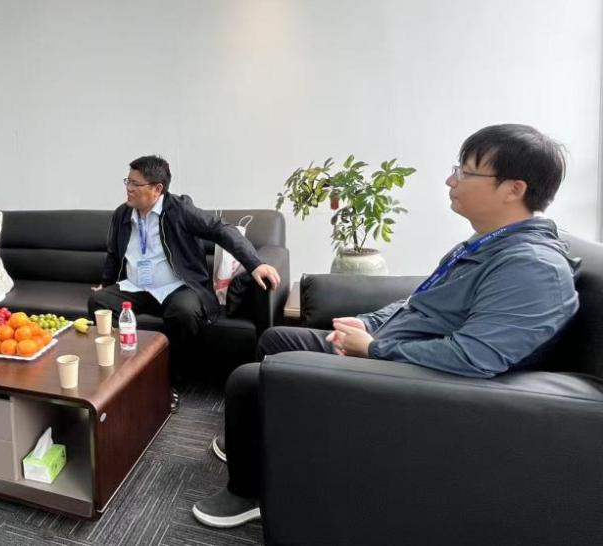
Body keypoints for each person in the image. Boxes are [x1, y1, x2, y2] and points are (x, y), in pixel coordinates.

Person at [192, 124, 579, 528]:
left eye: (465, 172)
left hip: (413, 380)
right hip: (395, 351)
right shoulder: (486, 244)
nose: (451, 181)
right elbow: (419, 303)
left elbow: (474, 357)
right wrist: (369, 323)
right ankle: (258, 440)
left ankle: (250, 492)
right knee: (277, 338)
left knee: (246, 380)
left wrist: (373, 348)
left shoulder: (532, 267)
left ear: (514, 189)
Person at [88, 155, 282, 389]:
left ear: (157, 189)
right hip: (136, 287)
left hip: (177, 287)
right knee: (99, 302)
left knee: (184, 312)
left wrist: (255, 264)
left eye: (135, 184)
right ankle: (123, 373)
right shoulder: (122, 214)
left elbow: (221, 229)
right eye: (127, 181)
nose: (128, 188)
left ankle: (172, 381)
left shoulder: (180, 210)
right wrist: (106, 283)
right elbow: (113, 253)